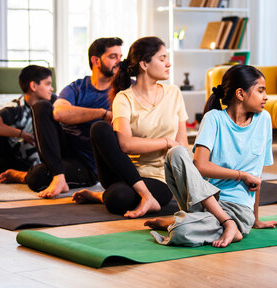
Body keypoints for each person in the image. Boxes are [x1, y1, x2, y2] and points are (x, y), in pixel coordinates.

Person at [144, 65, 277, 247]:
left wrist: (255, 220)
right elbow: (200, 165)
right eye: (260, 90)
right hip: (206, 202)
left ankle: (181, 222)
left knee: (182, 232)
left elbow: (257, 177)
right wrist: (241, 175)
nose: (266, 97)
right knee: (176, 153)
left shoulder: (264, 119)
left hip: (239, 210)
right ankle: (225, 224)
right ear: (240, 94)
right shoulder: (213, 119)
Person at [72, 36, 189, 218]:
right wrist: (166, 141)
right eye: (162, 58)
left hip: (160, 177)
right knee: (99, 128)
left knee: (117, 198)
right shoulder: (124, 98)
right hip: (126, 172)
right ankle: (146, 196)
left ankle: (100, 195)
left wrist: (188, 181)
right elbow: (126, 144)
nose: (168, 64)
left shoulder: (173, 93)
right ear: (144, 64)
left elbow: (182, 145)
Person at [0, 37, 123, 198]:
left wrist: (78, 113)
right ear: (96, 61)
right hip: (61, 151)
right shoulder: (77, 87)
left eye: (120, 57)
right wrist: (102, 113)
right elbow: (59, 113)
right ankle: (58, 176)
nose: (119, 61)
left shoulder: (123, 89)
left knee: (39, 177)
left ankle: (26, 175)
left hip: (88, 163)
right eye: (113, 56)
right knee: (41, 106)